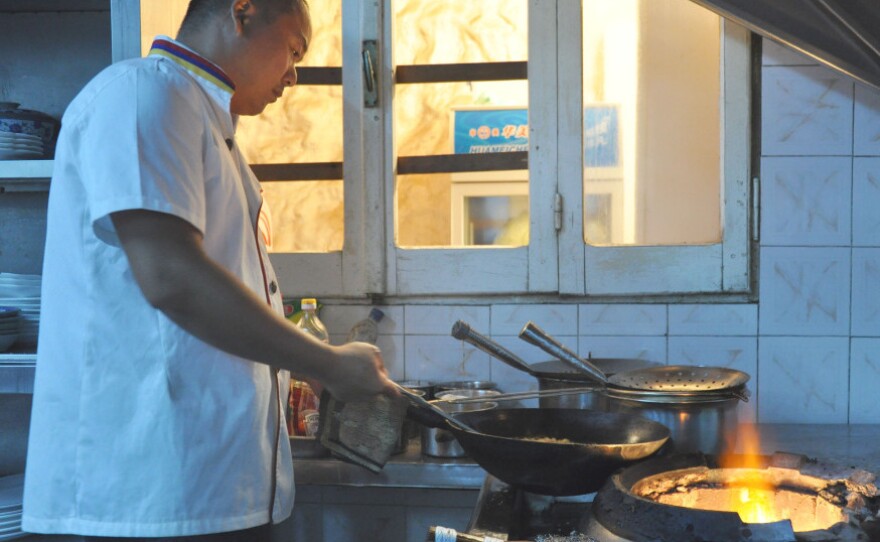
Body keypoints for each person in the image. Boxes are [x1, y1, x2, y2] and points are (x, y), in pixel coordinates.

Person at [21, 1, 398, 540]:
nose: (293, 76)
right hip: (141, 497)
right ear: (242, 12)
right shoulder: (143, 94)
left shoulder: (208, 127)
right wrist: (329, 362)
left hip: (203, 487)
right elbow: (172, 277)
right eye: (294, 49)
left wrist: (310, 369)